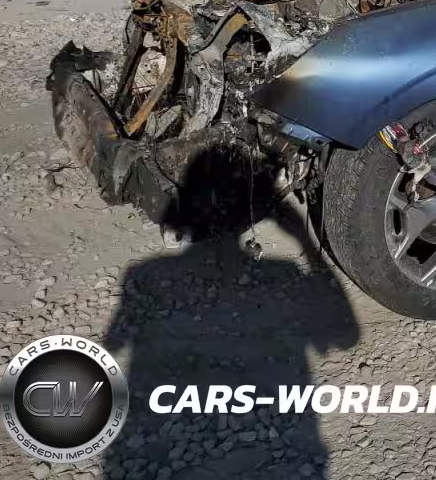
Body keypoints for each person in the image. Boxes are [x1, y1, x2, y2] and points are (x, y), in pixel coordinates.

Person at [102, 153, 359, 480]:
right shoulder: (282, 272)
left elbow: (114, 341)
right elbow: (345, 336)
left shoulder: (144, 274)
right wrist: (304, 241)